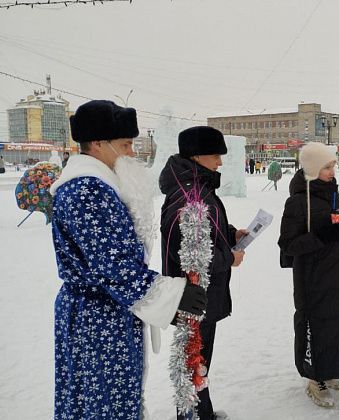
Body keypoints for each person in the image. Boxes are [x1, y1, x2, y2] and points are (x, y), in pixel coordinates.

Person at [49, 100, 208, 420]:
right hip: (97, 319)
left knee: (112, 398)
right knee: (104, 403)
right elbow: (113, 266)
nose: (132, 153)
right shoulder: (88, 189)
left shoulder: (99, 183)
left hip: (107, 311)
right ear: (97, 144)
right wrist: (173, 295)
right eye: (125, 144)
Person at [160, 126, 247, 420]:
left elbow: (204, 234)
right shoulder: (189, 195)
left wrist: (231, 234)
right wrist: (228, 257)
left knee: (199, 358)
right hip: (194, 296)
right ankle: (192, 416)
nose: (220, 162)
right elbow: (186, 254)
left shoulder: (199, 187)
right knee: (193, 359)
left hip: (201, 294)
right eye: (215, 155)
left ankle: (201, 412)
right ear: (196, 156)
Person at [278, 142, 339, 409]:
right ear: (313, 168)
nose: (333, 170)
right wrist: (319, 237)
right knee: (315, 326)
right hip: (313, 279)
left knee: (338, 325)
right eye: (327, 166)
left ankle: (329, 370)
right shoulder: (297, 201)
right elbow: (288, 245)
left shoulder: (334, 196)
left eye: (333, 165)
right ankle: (314, 377)